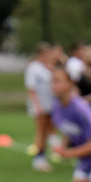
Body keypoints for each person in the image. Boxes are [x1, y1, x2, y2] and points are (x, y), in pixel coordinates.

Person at [24, 43, 60, 172]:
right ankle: (39, 159)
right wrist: (37, 105)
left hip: (49, 104)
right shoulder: (34, 68)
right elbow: (31, 88)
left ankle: (53, 152)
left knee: (49, 130)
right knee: (41, 130)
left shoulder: (47, 68)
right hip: (39, 104)